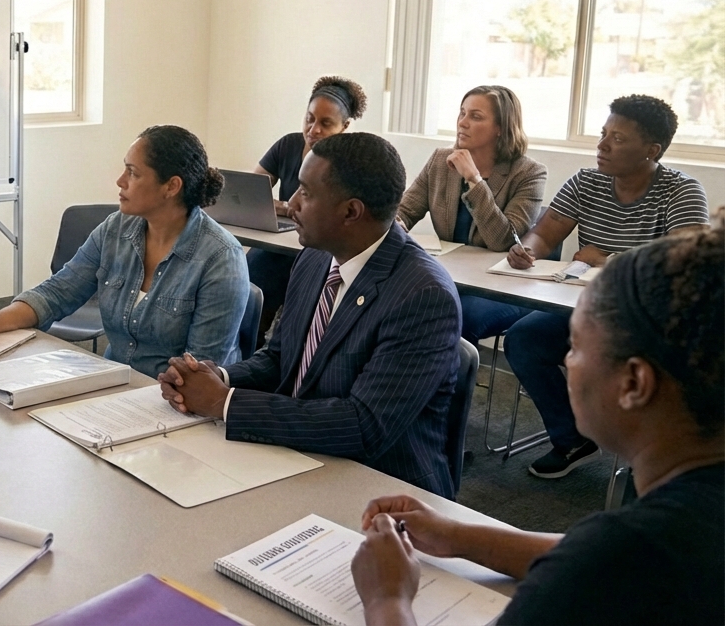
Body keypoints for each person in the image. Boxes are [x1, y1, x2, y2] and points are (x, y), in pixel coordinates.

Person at [350, 227, 723, 626]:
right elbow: (593, 554)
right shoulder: (679, 526)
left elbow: (608, 562)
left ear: (634, 384)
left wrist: (386, 597)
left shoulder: (623, 558)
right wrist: (457, 536)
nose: (568, 361)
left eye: (575, 347)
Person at [158, 133, 461, 498]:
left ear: (351, 212)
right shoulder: (316, 256)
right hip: (300, 455)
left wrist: (224, 402)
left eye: (306, 192)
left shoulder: (423, 297)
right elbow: (280, 360)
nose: (291, 203)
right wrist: (213, 376)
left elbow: (364, 426)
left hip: (383, 488)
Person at [503, 95, 709, 478]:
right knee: (524, 340)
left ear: (652, 150)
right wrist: (525, 250)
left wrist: (607, 261)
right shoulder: (586, 180)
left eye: (617, 138)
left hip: (648, 322)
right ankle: (572, 439)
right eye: (603, 134)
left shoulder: (682, 192)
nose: (601, 145)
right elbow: (544, 234)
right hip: (584, 308)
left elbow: (686, 268)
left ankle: (649, 459)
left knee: (614, 362)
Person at [0, 125, 249, 378]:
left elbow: (198, 373)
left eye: (133, 173)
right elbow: (57, 293)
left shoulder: (220, 258)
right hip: (113, 384)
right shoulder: (117, 228)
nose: (120, 181)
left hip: (173, 404)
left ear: (171, 186)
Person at [395, 85, 546, 345]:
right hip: (449, 276)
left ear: (501, 127)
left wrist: (474, 179)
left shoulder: (529, 173)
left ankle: (452, 383)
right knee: (396, 303)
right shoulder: (440, 160)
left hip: (498, 288)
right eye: (462, 113)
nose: (462, 123)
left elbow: (502, 240)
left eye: (475, 117)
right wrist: (395, 222)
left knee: (455, 317)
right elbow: (405, 210)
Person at [249, 76, 367, 331]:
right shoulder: (288, 145)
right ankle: (249, 344)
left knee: (297, 297)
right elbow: (250, 192)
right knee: (250, 282)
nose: (313, 129)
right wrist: (282, 207)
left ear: (344, 127)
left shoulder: (351, 162)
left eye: (326, 123)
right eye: (309, 119)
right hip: (278, 245)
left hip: (321, 250)